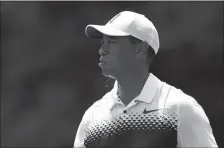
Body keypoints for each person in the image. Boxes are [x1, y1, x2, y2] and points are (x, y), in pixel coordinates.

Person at [74, 11, 218, 147]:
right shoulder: (93, 117)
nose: (102, 50)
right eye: (102, 43)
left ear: (140, 49)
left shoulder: (181, 109)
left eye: (111, 42)